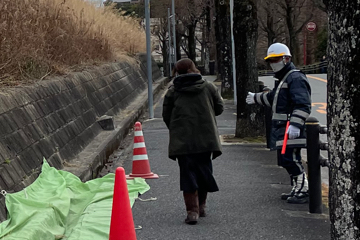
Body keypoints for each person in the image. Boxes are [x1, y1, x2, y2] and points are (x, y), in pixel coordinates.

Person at [246, 43, 312, 204]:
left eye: (275, 59)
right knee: (286, 159)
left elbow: (303, 104)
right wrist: (256, 97)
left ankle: (303, 189)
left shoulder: (295, 77)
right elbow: (273, 99)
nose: (272, 63)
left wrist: (296, 124)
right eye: (270, 60)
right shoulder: (284, 78)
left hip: (290, 126)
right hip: (284, 127)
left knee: (291, 158)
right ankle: (298, 188)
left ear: (286, 59)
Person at [162, 58, 224, 224]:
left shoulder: (173, 90)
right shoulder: (208, 87)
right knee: (204, 170)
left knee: (187, 174)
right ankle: (202, 206)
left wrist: (177, 129)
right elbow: (219, 108)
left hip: (183, 139)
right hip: (206, 137)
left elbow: (166, 115)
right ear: (193, 68)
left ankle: (192, 211)